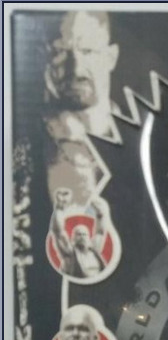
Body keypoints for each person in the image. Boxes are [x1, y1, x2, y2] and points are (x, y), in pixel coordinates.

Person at [43, 11, 119, 204]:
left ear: (111, 57)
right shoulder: (25, 153)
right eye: (61, 52)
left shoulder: (143, 140)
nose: (76, 68)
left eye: (88, 51)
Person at [50, 192, 109, 279]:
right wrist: (60, 207)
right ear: (73, 238)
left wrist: (100, 214)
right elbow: (58, 232)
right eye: (78, 234)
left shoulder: (94, 249)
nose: (82, 236)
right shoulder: (69, 253)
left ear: (89, 237)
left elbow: (100, 232)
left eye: (84, 234)